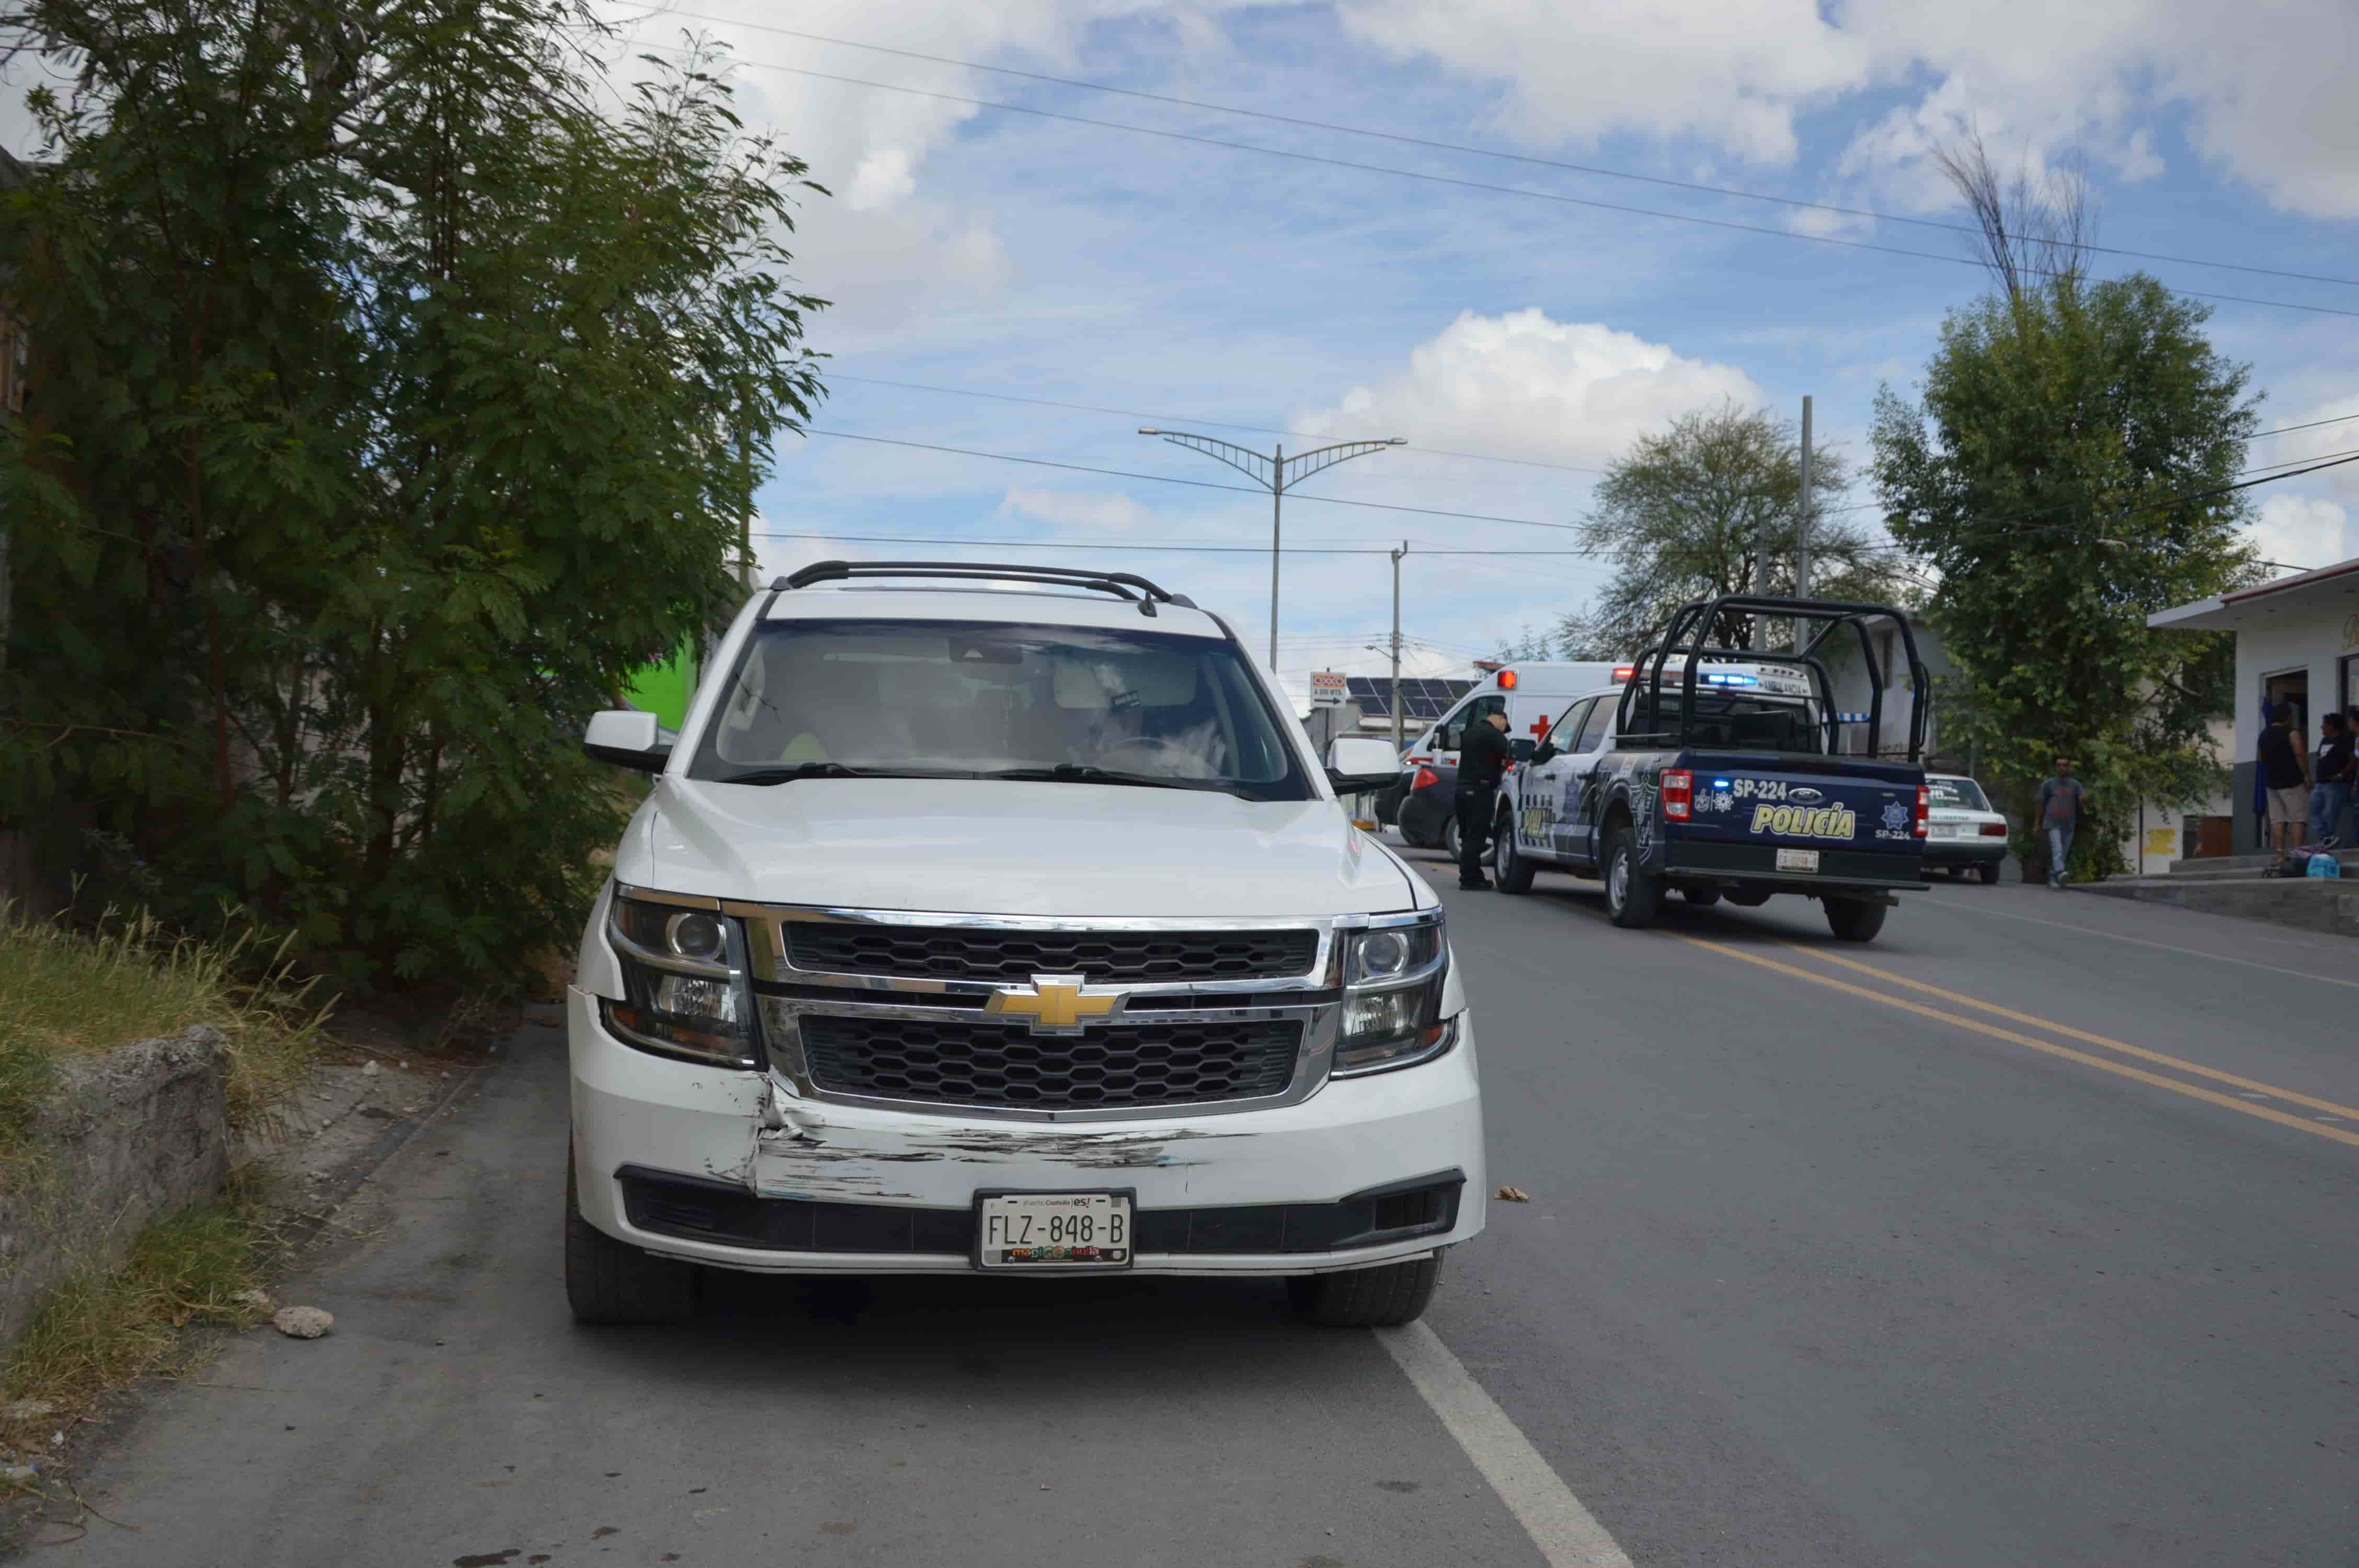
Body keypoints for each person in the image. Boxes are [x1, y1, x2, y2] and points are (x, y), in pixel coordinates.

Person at [1455, 708, 1513, 890]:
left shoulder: (1469, 732)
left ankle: (1471, 875)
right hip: (1480, 791)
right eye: (1505, 727)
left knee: (1467, 836)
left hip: (1461, 790)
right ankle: (1470, 880)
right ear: (1501, 719)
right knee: (1477, 836)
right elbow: (1510, 755)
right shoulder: (1494, 736)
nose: (1504, 731)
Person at [2257, 704, 2309, 855]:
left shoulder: (2264, 735)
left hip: (2271, 783)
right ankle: (2297, 854)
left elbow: (2260, 757)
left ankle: (2280, 855)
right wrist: (2306, 775)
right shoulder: (2292, 733)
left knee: (2277, 820)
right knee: (2298, 819)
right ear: (2288, 717)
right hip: (2292, 781)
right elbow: (2299, 753)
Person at [2035, 756, 2087, 889]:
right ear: (2056, 768)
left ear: (2068, 768)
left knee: (2062, 854)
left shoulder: (2075, 785)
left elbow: (2082, 798)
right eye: (2059, 765)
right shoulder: (2048, 784)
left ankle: (2053, 878)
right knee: (2057, 850)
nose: (2062, 768)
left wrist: (2084, 799)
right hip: (2052, 823)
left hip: (2069, 825)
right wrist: (2037, 823)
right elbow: (2040, 803)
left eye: (2064, 765)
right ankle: (2061, 872)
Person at [2312, 711, 2355, 847]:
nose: (2322, 727)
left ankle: (2327, 839)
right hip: (2320, 783)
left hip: (2336, 784)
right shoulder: (2324, 740)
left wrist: (2341, 775)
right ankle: (2327, 838)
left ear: (2332, 726)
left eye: (2324, 725)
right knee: (2314, 811)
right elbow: (2320, 758)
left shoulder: (2345, 740)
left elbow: (2353, 761)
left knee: (2329, 813)